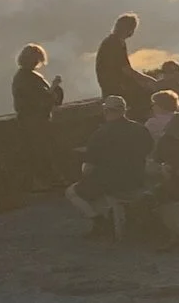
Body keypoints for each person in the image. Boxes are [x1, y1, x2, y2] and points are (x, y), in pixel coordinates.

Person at [68, 96, 154, 232]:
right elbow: (149, 152)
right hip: (137, 179)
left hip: (110, 182)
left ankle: (99, 221)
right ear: (125, 110)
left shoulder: (100, 134)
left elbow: (89, 167)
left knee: (72, 192)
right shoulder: (140, 129)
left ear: (106, 111)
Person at [9, 45, 65, 191]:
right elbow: (38, 100)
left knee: (42, 152)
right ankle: (44, 181)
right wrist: (53, 88)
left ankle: (47, 180)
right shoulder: (26, 79)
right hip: (33, 122)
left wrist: (53, 91)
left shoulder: (26, 77)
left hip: (36, 121)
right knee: (39, 153)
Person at [97, 14, 153, 113]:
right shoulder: (114, 43)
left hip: (113, 86)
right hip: (116, 86)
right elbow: (126, 70)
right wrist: (147, 80)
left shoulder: (114, 41)